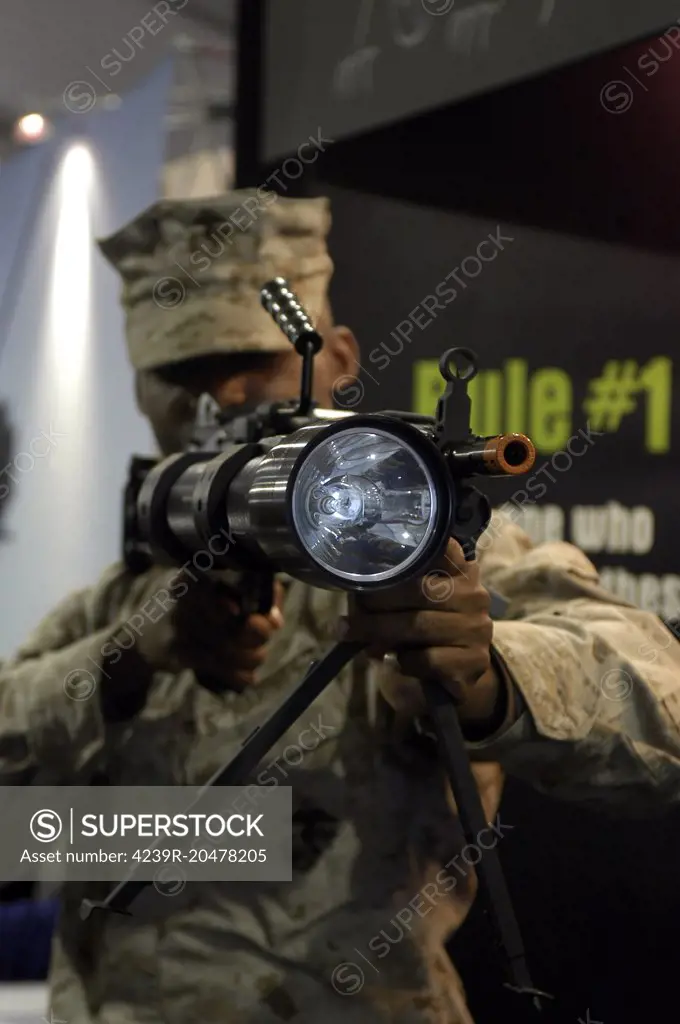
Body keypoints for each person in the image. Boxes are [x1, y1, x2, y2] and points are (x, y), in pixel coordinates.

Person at [0, 190, 678, 1024]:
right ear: (139, 388)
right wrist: (125, 665)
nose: (222, 402)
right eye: (182, 376)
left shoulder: (425, 550)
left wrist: (488, 677)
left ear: (341, 360)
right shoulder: (126, 600)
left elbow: (664, 711)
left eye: (256, 362)